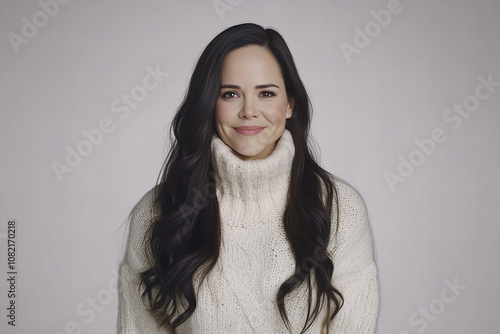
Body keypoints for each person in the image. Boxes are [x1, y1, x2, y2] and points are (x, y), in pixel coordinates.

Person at [117, 23, 379, 334]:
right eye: (230, 94)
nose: (249, 111)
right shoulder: (160, 210)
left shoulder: (338, 206)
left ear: (290, 104)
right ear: (209, 104)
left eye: (266, 93)